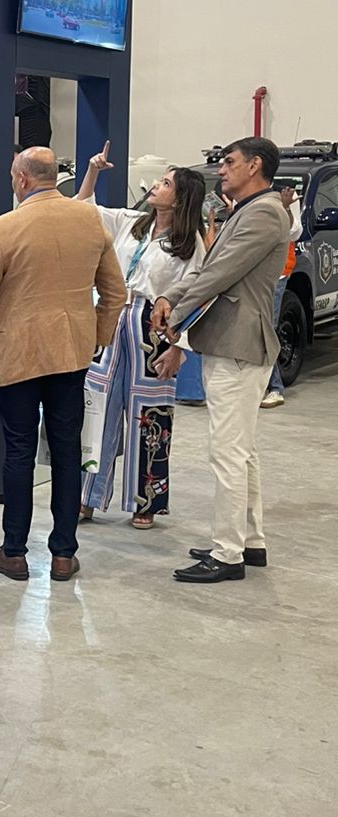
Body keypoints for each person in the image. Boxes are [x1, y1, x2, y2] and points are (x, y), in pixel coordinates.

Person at [0, 148, 126, 583]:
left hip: (18, 354)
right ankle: (63, 554)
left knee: (19, 451)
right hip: (72, 353)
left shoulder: (2, 229)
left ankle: (14, 552)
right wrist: (96, 336)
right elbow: (115, 293)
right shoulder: (89, 221)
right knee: (67, 450)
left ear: (22, 179)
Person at [151, 136, 291, 584]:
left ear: (254, 166)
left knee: (228, 452)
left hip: (238, 346)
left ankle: (227, 553)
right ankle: (249, 542)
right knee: (241, 451)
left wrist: (175, 315)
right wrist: (171, 298)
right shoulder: (247, 211)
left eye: (230, 162)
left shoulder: (264, 213)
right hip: (232, 344)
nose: (222, 170)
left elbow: (218, 273)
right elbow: (210, 266)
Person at [74, 143, 207, 528]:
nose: (155, 187)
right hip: (111, 312)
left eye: (165, 184)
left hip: (154, 325)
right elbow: (85, 208)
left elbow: (196, 293)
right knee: (96, 404)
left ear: (179, 199)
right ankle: (85, 496)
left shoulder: (190, 243)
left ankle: (145, 501)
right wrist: (92, 171)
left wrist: (180, 347)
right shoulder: (132, 222)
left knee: (150, 413)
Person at [259, 184, 302, 409]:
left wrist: (284, 208)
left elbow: (294, 232)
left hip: (278, 271)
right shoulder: (242, 194)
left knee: (269, 328)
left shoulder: (286, 194)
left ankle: (275, 387)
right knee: (257, 327)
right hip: (253, 271)